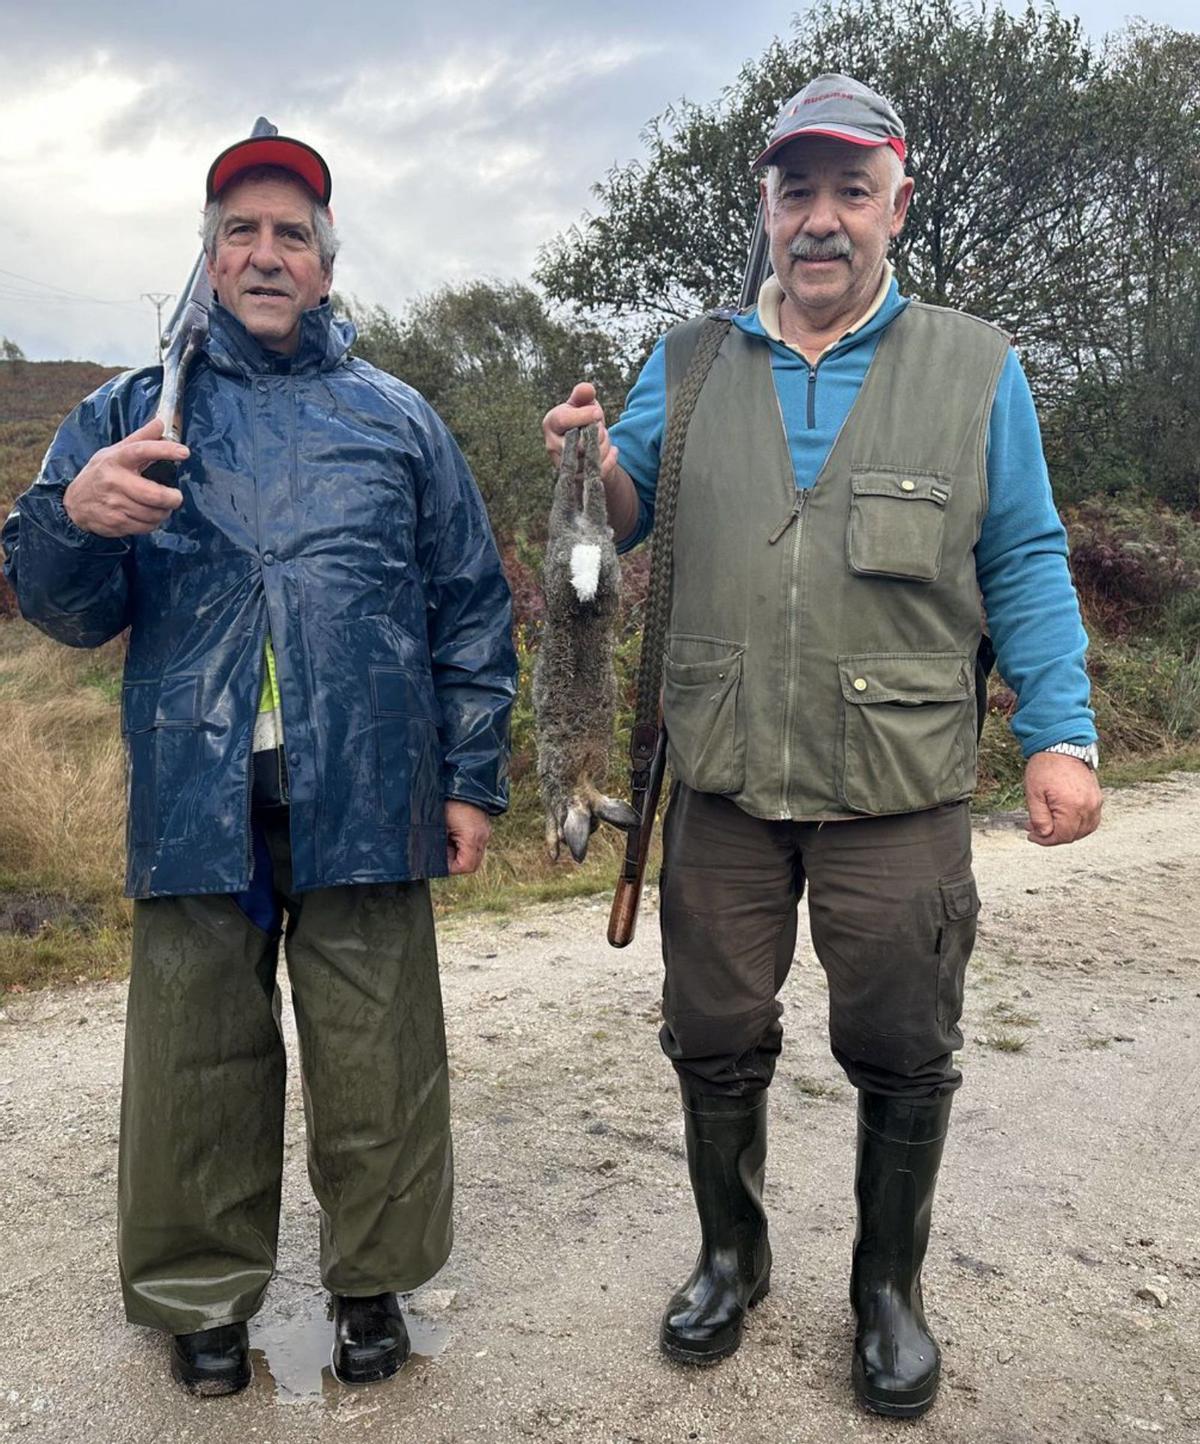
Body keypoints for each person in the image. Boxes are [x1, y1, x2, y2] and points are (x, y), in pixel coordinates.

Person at [543, 74, 1101, 1419]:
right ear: (766, 208)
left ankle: (887, 1291)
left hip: (897, 789)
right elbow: (619, 522)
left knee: (906, 1040)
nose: (822, 219)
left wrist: (1061, 732)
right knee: (715, 1029)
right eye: (798, 190)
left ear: (897, 204)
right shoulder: (688, 361)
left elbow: (1022, 556)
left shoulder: (977, 369)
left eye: (852, 190)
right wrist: (588, 455)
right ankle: (731, 1259)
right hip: (722, 778)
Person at [3, 134, 516, 1396]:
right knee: (194, 1062)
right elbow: (58, 606)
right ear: (210, 253)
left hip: (368, 793)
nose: (267, 253)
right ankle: (202, 1299)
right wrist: (72, 520)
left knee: (379, 1055)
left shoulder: (397, 420)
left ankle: (371, 1288)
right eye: (243, 230)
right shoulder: (137, 414)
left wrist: (470, 778)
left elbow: (471, 605)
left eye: (293, 233)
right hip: (198, 794)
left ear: (327, 268)